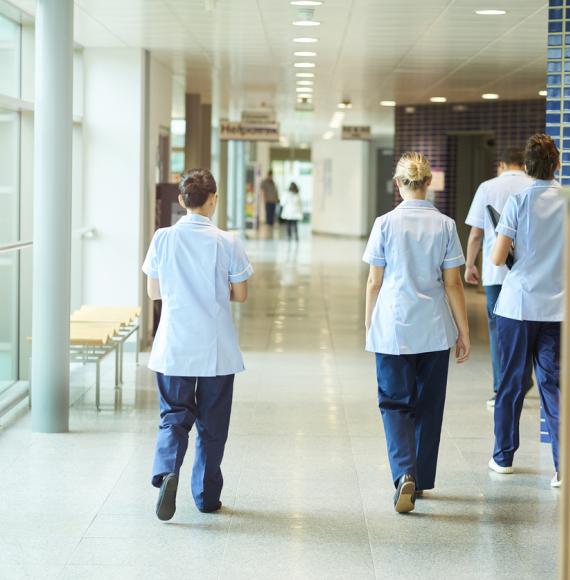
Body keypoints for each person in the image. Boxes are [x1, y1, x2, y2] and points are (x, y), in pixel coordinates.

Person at [142, 168, 254, 521]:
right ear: (213, 200)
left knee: (173, 417)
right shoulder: (227, 241)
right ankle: (205, 496)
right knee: (212, 424)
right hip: (215, 349)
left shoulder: (163, 238)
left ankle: (167, 473)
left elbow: (153, 292)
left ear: (181, 201)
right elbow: (241, 294)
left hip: (174, 344)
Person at [363, 152, 470, 514]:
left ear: (399, 184)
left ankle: (403, 472)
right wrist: (463, 331)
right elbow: (453, 284)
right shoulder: (445, 225)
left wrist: (369, 322)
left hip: (393, 326)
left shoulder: (384, 224)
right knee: (428, 406)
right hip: (435, 329)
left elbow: (375, 281)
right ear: (428, 184)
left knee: (394, 404)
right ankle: (420, 479)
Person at [489, 134, 564, 488]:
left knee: (511, 384)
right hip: (557, 308)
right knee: (555, 386)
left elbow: (497, 258)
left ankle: (503, 457)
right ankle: (562, 468)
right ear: (557, 164)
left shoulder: (518, 201)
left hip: (517, 308)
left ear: (528, 167)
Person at [464, 149, 533, 408]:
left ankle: (501, 386)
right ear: (523, 164)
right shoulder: (534, 186)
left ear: (501, 164)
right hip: (527, 272)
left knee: (497, 330)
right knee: (527, 326)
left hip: (496, 272)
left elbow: (476, 233)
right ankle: (524, 379)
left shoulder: (488, 187)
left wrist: (470, 264)